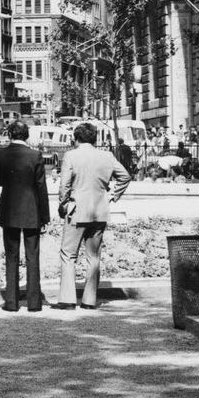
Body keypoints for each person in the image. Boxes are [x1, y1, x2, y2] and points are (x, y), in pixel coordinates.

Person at [53, 122, 131, 310]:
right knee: (93, 256)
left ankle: (68, 298)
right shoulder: (107, 156)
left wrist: (63, 204)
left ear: (76, 138)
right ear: (94, 138)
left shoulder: (71, 155)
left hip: (76, 209)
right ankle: (89, 300)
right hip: (100, 210)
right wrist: (112, 196)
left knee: (68, 254)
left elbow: (64, 185)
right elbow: (125, 176)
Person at [0, 119, 50, 312]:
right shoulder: (36, 155)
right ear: (27, 135)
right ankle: (34, 302)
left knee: (11, 255)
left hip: (9, 209)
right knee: (33, 256)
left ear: (9, 134)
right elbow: (41, 187)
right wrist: (45, 215)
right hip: (32, 209)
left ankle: (11, 301)